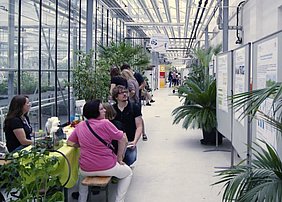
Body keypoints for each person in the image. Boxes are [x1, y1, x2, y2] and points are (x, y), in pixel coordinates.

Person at [67, 99, 132, 202]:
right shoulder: (105, 123)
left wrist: (84, 144)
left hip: (86, 168)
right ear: (95, 112)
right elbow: (123, 138)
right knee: (128, 173)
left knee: (81, 178)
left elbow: (69, 142)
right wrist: (119, 157)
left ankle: (82, 199)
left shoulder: (81, 125)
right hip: (107, 166)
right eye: (102, 109)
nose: (105, 110)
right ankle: (119, 200)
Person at [112, 85, 143, 166]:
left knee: (130, 158)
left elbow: (139, 126)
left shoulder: (134, 107)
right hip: (115, 141)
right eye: (121, 93)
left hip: (130, 140)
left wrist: (135, 141)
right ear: (116, 97)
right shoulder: (112, 109)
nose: (124, 94)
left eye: (126, 92)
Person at [120, 64, 148, 141]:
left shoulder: (129, 81)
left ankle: (134, 134)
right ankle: (142, 133)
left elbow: (132, 91)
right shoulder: (134, 80)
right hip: (137, 100)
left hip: (133, 101)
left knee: (134, 117)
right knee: (138, 117)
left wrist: (128, 96)